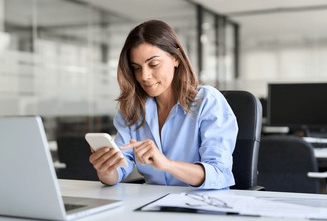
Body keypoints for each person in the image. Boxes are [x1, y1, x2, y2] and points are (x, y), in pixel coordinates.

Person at [89, 20, 238, 189]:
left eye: (153, 64)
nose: (144, 76)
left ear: (175, 58)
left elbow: (219, 173)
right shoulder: (132, 109)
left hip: (202, 204)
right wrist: (105, 169)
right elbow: (119, 171)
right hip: (153, 205)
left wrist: (167, 164)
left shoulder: (208, 101)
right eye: (136, 68)